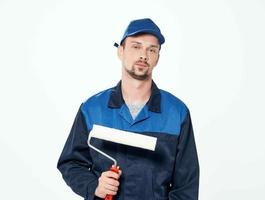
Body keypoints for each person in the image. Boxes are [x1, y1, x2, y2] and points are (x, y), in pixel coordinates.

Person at [57, 18, 199, 200]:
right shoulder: (92, 109)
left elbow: (186, 186)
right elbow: (71, 163)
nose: (144, 55)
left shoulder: (177, 113)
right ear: (120, 51)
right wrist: (95, 186)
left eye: (151, 49)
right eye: (136, 46)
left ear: (157, 58)